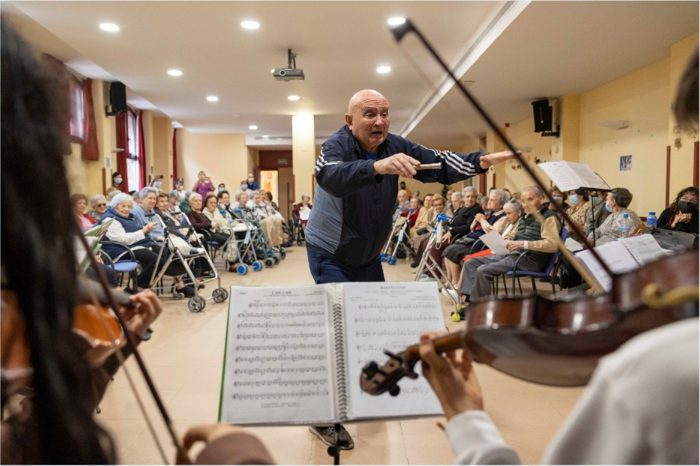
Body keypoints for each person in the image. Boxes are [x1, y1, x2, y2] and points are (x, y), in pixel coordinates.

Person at [2, 20, 274, 464]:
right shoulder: (116, 218)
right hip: (129, 248)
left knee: (180, 244)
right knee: (154, 250)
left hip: (142, 248)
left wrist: (105, 360)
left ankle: (193, 276)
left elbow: (36, 448)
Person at [416, 48, 700, 466]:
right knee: (466, 253)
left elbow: (550, 245)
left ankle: (471, 301)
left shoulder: (664, 373)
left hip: (534, 261)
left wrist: (467, 421)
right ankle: (468, 299)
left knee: (476, 260)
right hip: (518, 252)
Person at [303, 89, 514, 447]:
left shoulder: (395, 144)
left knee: (371, 326)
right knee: (338, 331)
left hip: (367, 256)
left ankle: (365, 392)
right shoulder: (335, 146)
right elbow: (329, 176)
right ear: (349, 120)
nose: (379, 121)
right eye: (369, 113)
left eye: (384, 113)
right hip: (330, 253)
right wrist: (377, 166)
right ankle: (323, 416)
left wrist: (481, 161)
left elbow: (438, 163)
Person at [459, 186, 560, 303]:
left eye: (530, 200)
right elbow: (513, 236)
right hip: (514, 253)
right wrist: (505, 241)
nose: (526, 205)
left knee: (483, 270)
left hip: (530, 258)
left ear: (541, 199)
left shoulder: (549, 217)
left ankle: (478, 306)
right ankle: (469, 300)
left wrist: (523, 244)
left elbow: (552, 244)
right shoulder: (524, 218)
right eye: (523, 201)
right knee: (471, 262)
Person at [442, 189, 509, 289]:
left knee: (452, 251)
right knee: (447, 250)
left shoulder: (502, 216)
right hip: (474, 239)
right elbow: (472, 228)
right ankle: (450, 281)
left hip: (483, 243)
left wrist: (481, 220)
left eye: (492, 200)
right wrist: (477, 220)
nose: (488, 202)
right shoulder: (490, 213)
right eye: (489, 199)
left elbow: (493, 234)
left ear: (500, 204)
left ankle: (455, 283)